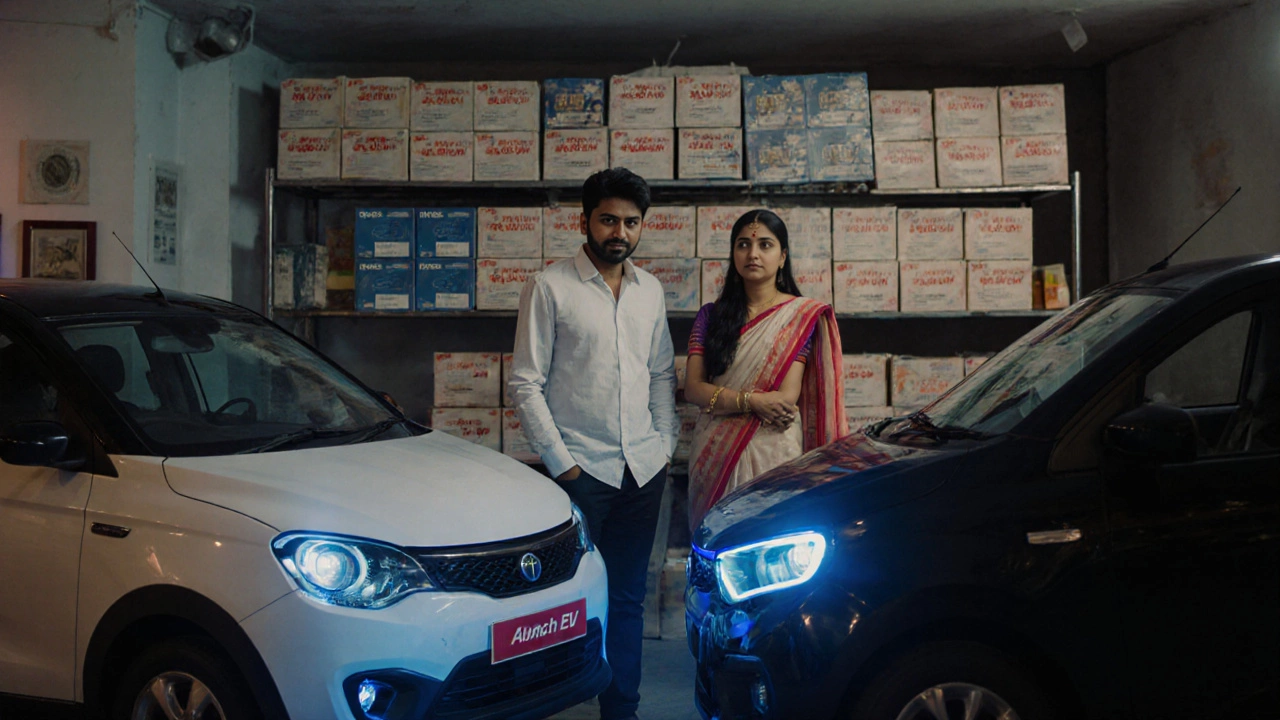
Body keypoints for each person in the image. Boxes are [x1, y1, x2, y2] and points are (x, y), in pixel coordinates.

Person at [509, 167, 677, 720]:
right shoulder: (549, 286)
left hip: (643, 472)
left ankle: (620, 710)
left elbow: (659, 375)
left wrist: (666, 444)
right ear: (584, 221)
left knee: (627, 599)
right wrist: (563, 466)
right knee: (562, 602)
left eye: (631, 222)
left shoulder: (649, 290)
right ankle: (551, 704)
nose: (619, 232)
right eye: (608, 219)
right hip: (583, 476)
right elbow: (526, 383)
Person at [684, 209, 848, 531]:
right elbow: (693, 389)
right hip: (714, 454)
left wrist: (739, 402)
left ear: (782, 256)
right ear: (734, 254)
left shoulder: (799, 317)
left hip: (774, 450)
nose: (753, 254)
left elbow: (786, 397)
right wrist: (752, 402)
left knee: (773, 540)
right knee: (716, 540)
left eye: (765, 245)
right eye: (743, 244)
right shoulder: (711, 316)